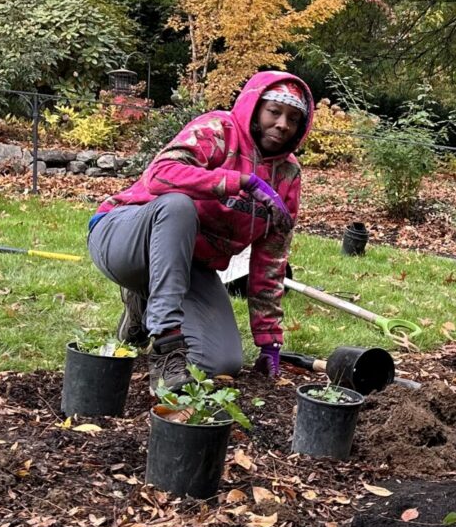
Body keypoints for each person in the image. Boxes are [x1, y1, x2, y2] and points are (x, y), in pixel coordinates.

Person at [87, 71, 314, 393]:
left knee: (220, 363)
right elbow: (160, 175)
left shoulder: (288, 176)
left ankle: (142, 307)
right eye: (273, 112)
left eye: (293, 118)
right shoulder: (218, 130)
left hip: (189, 265)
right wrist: (241, 181)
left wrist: (269, 342)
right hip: (124, 238)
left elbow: (270, 262)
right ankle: (166, 344)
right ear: (255, 106)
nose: (282, 124)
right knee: (178, 206)